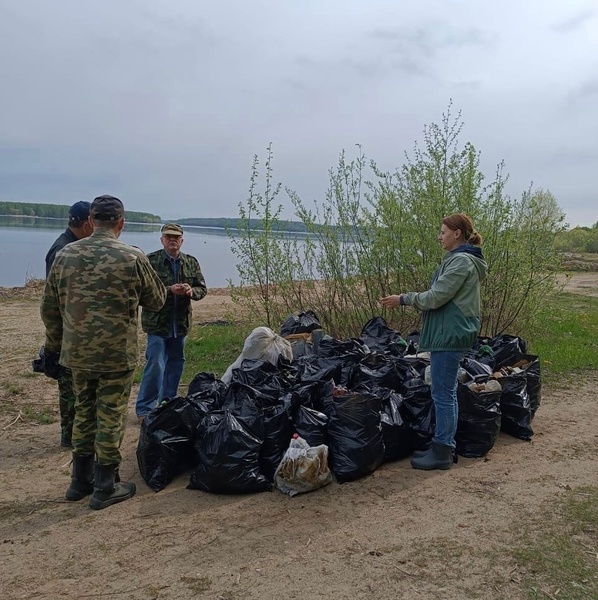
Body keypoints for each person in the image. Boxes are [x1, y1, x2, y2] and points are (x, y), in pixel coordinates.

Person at [41, 195, 166, 510]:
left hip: (76, 354)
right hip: (115, 354)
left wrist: (55, 348)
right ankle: (105, 485)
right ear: (121, 223)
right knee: (109, 414)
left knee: (84, 411)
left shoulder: (65, 255)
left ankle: (79, 481)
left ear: (92, 221)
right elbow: (157, 301)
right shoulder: (133, 257)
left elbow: (50, 309)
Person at [381, 213, 487, 471]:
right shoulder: (459, 260)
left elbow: (437, 297)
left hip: (450, 334)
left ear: (457, 233)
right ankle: (443, 446)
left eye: (443, 232)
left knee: (443, 394)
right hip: (447, 332)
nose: (439, 236)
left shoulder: (461, 261)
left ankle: (442, 451)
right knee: (444, 392)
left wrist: (403, 298)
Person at [135, 223, 207, 420]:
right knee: (155, 364)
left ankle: (167, 402)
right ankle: (145, 409)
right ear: (162, 240)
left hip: (180, 324)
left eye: (176, 237)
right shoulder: (150, 261)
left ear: (182, 241)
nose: (172, 240)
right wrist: (169, 290)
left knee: (176, 363)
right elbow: (142, 292)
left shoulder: (191, 262)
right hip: (157, 323)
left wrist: (191, 291)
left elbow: (202, 289)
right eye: (168, 237)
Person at [44, 201, 94, 448]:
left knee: (76, 386)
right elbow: (54, 298)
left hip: (74, 329)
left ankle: (75, 434)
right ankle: (69, 436)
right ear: (86, 224)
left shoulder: (70, 246)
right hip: (67, 331)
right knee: (68, 387)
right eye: (94, 225)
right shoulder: (62, 250)